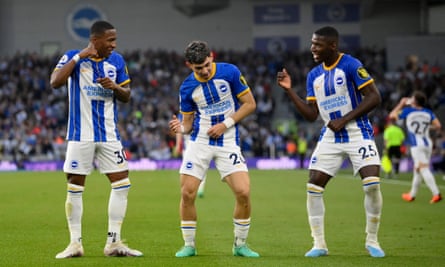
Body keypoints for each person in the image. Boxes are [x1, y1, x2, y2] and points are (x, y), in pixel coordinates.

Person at [277, 26, 385, 258]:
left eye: (317, 44)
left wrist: (345, 119)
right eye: (312, 43)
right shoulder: (313, 75)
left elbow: (375, 96)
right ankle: (319, 244)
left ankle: (372, 241)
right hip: (330, 136)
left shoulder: (351, 65)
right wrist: (289, 91)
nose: (312, 48)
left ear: (332, 46)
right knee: (314, 187)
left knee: (372, 184)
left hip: (358, 132)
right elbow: (311, 114)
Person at [50, 20, 142, 259]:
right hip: (80, 135)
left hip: (110, 135)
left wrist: (114, 87)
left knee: (122, 184)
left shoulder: (117, 61)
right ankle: (74, 244)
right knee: (75, 186)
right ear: (96, 39)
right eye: (110, 40)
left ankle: (114, 243)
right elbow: (55, 82)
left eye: (115, 40)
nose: (114, 44)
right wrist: (80, 56)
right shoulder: (72, 57)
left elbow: (127, 95)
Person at [168, 40, 259, 258]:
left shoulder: (230, 72)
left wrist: (225, 124)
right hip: (199, 142)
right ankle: (188, 245)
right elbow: (188, 125)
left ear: (212, 57)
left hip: (227, 141)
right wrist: (180, 128)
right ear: (189, 65)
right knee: (187, 193)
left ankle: (240, 245)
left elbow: (250, 104)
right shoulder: (187, 87)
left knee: (243, 192)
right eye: (199, 68)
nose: (206, 70)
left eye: (208, 64)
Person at [388, 91, 442, 203]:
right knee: (417, 169)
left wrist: (401, 104)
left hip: (416, 145)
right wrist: (426, 127)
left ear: (414, 101)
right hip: (428, 143)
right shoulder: (428, 112)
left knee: (423, 168)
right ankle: (412, 194)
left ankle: (436, 193)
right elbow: (438, 126)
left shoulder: (408, 111)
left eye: (412, 97)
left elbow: (392, 116)